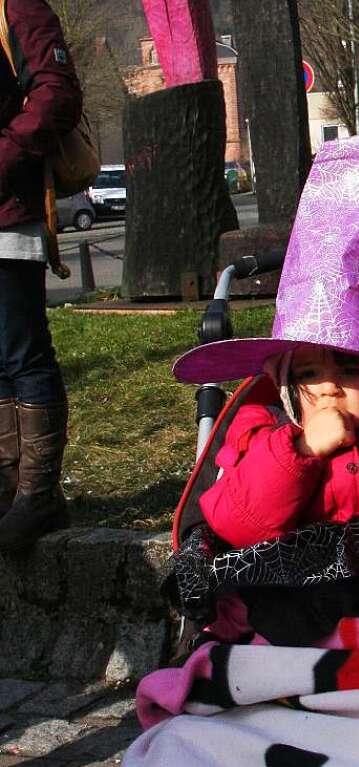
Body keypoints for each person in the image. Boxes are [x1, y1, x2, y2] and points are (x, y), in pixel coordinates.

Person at [172, 137, 359, 550]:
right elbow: (234, 524)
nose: (330, 386)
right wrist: (302, 447)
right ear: (286, 387)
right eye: (309, 374)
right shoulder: (262, 433)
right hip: (304, 592)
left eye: (350, 369)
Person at [0, 0, 83, 552]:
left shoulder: (17, 7)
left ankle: (39, 495)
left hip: (4, 212)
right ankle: (8, 489)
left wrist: (3, 155)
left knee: (20, 352)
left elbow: (56, 95)